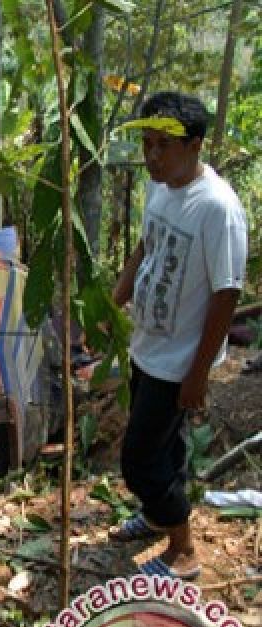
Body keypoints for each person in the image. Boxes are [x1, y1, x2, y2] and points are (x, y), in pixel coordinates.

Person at [110, 91, 248, 580]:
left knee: (139, 460)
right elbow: (145, 246)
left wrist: (198, 375)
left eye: (162, 146)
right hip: (148, 347)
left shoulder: (217, 208)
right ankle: (156, 515)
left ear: (193, 145)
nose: (151, 156)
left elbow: (225, 294)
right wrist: (115, 301)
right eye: (147, 144)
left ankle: (183, 550)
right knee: (165, 451)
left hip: (180, 361)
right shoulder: (161, 188)